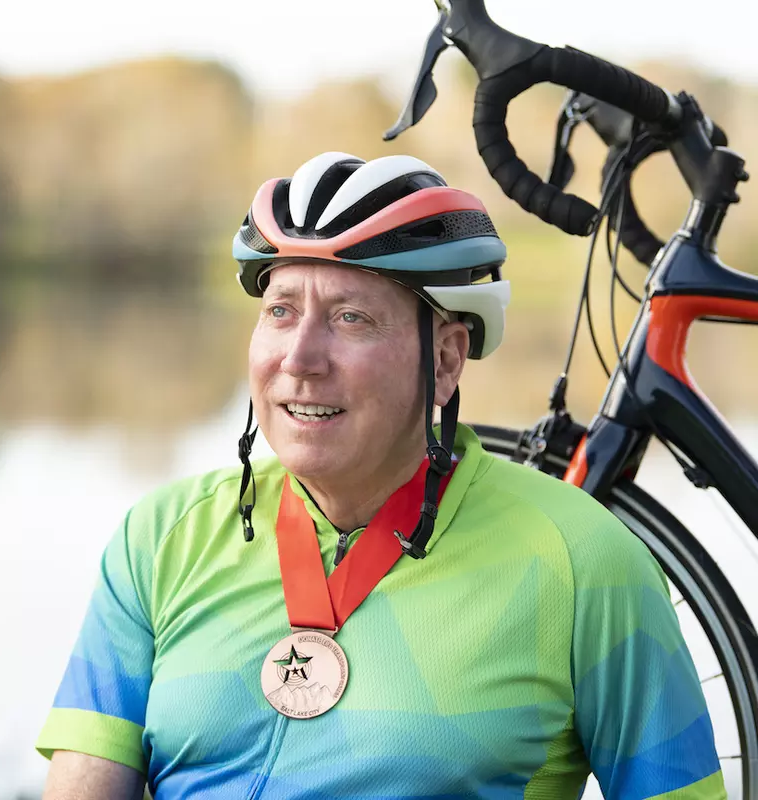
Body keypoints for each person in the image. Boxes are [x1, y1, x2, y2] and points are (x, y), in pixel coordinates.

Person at [37, 152, 726, 799]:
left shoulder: (586, 562)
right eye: (281, 311)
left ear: (448, 360)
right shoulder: (162, 537)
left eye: (351, 318)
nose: (301, 357)